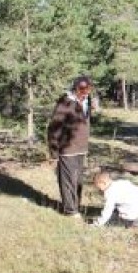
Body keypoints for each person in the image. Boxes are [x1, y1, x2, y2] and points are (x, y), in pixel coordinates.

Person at [47, 76, 95, 219]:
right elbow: (53, 128)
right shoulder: (65, 102)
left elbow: (83, 121)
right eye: (82, 89)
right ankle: (70, 211)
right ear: (75, 88)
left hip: (81, 148)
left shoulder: (86, 100)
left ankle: (76, 206)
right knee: (68, 181)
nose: (85, 92)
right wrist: (54, 152)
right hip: (67, 148)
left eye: (88, 88)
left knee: (78, 180)